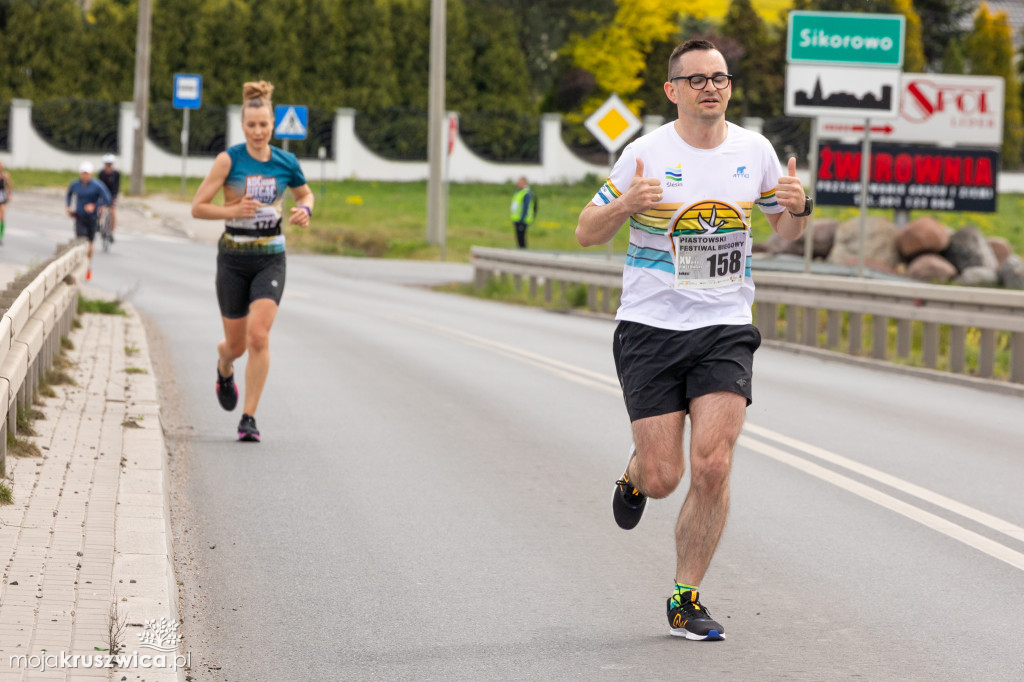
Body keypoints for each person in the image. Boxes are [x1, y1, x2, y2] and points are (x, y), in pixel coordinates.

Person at [575, 39, 810, 641]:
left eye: (721, 78)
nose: (711, 87)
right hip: (651, 328)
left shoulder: (754, 150)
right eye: (698, 79)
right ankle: (633, 474)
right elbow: (585, 231)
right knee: (664, 478)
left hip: (725, 328)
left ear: (730, 88)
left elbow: (782, 229)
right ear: (672, 90)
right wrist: (625, 204)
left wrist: (796, 207)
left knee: (712, 464)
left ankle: (686, 597)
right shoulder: (644, 154)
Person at [191, 81, 314, 442]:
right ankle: (224, 364)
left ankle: (249, 418)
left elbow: (304, 193)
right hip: (233, 257)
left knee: (259, 336)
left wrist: (304, 208)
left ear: (273, 124)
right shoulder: (228, 160)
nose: (258, 132)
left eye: (264, 125)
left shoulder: (286, 162)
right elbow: (198, 208)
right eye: (251, 125)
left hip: (270, 257)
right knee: (237, 345)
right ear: (242, 127)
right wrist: (232, 209)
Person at [66, 161, 112, 281]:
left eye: (87, 173)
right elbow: (69, 194)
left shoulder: (97, 185)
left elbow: (107, 199)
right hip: (80, 216)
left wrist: (95, 205)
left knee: (90, 242)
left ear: (91, 174)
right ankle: (78, 265)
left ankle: (88, 265)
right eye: (83, 173)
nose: (85, 176)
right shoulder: (75, 184)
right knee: (81, 239)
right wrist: (68, 206)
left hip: (92, 217)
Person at [97, 154, 121, 241]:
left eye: (110, 164)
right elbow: (99, 186)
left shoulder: (116, 174)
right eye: (107, 164)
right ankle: (98, 224)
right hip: (103, 195)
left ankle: (111, 232)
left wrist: (114, 199)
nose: (108, 166)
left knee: (113, 212)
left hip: (112, 195)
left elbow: (117, 187)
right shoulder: (101, 174)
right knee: (101, 209)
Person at [509, 176, 537, 248]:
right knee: (518, 238)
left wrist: (522, 220)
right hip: (517, 218)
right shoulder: (519, 192)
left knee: (521, 238)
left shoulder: (526, 193)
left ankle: (523, 253)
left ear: (524, 183)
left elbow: (526, 208)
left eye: (519, 182)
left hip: (522, 219)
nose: (518, 184)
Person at [0, 160, 12, 245]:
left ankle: (0, 236)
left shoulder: (5, 176)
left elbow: (9, 185)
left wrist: (9, 195)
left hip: (2, 197)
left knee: (2, 217)